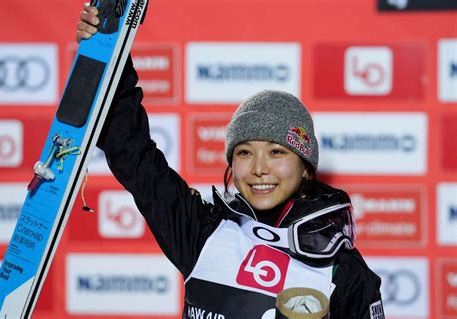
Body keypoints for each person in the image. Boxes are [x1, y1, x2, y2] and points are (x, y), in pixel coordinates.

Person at [76, 3, 384, 318]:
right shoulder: (201, 230)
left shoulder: (343, 271)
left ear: (305, 166)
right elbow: (129, 149)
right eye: (245, 152)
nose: (259, 168)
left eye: (277, 152)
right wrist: (107, 49)